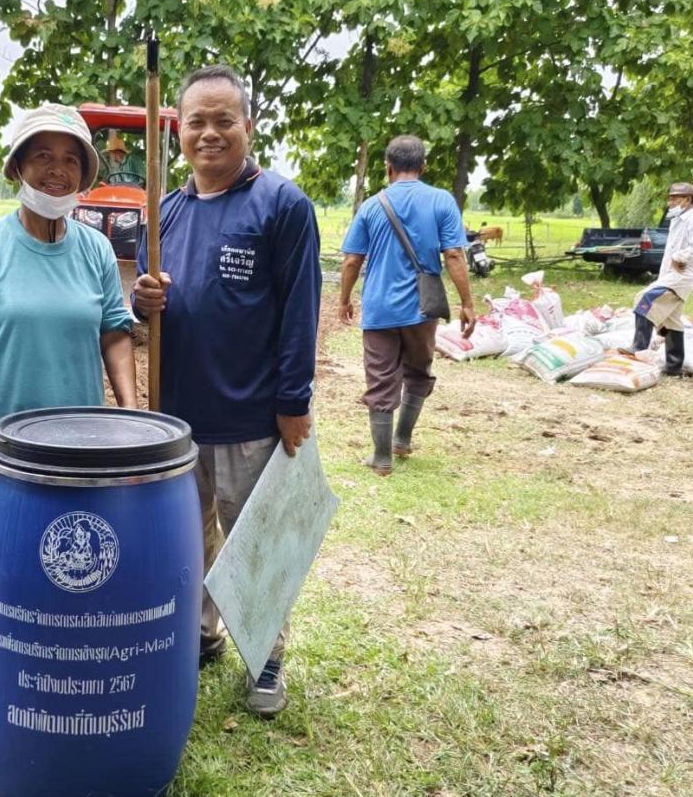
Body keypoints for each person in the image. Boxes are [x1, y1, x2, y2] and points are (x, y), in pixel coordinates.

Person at [133, 64, 321, 718]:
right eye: (195, 122)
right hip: (179, 417)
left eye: (223, 120)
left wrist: (294, 401)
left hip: (251, 413)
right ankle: (202, 634)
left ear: (248, 125)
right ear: (177, 131)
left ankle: (265, 656)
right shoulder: (164, 215)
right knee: (189, 537)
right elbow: (145, 319)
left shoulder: (281, 205)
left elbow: (300, 309)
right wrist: (143, 299)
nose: (209, 133)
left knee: (254, 539)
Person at [0, 104, 137, 496]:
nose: (57, 170)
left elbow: (114, 331)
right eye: (42, 156)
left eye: (70, 160)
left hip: (84, 445)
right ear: (17, 168)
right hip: (8, 447)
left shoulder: (96, 249)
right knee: (14, 550)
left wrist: (130, 416)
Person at [337, 135, 475, 476]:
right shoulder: (442, 201)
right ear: (423, 167)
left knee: (381, 378)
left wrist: (344, 299)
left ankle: (382, 457)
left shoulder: (372, 206)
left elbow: (352, 260)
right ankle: (402, 439)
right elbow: (454, 254)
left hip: (380, 309)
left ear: (388, 168)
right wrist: (467, 302)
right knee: (417, 372)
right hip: (423, 308)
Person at [619, 182, 693, 375]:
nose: (670, 202)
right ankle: (673, 366)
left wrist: (683, 256)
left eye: (675, 198)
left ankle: (639, 347)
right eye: (670, 198)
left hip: (683, 276)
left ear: (687, 200)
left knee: (645, 299)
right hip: (671, 275)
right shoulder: (677, 220)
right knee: (672, 321)